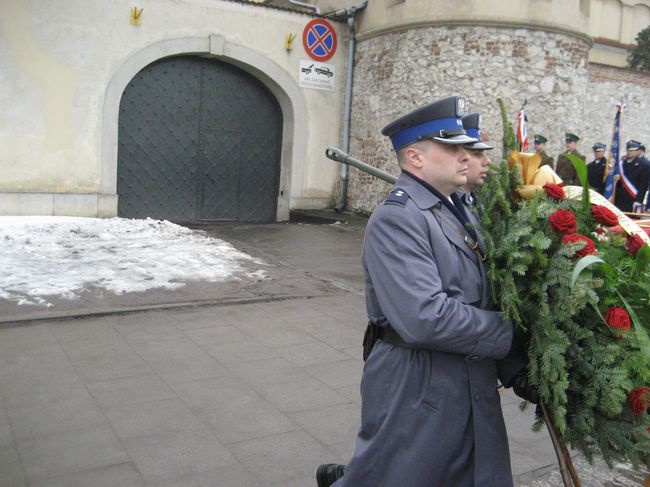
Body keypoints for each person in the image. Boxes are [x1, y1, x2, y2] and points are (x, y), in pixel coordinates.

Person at [315, 96, 536, 487]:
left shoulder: (457, 210)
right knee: (402, 475)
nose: (465, 155)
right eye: (452, 147)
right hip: (416, 382)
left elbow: (480, 300)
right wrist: (511, 333)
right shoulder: (397, 220)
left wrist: (514, 366)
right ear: (416, 158)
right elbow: (425, 317)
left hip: (464, 373)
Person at [614, 139, 650, 213]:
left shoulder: (643, 165)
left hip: (632, 198)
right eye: (628, 150)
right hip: (619, 198)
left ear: (637, 151)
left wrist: (638, 201)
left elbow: (643, 186)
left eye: (632, 150)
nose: (629, 152)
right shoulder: (621, 164)